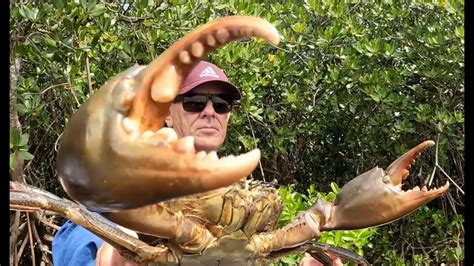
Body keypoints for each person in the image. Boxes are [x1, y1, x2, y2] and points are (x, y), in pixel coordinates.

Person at [52, 60, 337, 265]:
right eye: (195, 101)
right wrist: (120, 247)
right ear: (167, 113)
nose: (210, 111)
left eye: (221, 104)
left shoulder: (243, 196)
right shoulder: (128, 194)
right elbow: (78, 236)